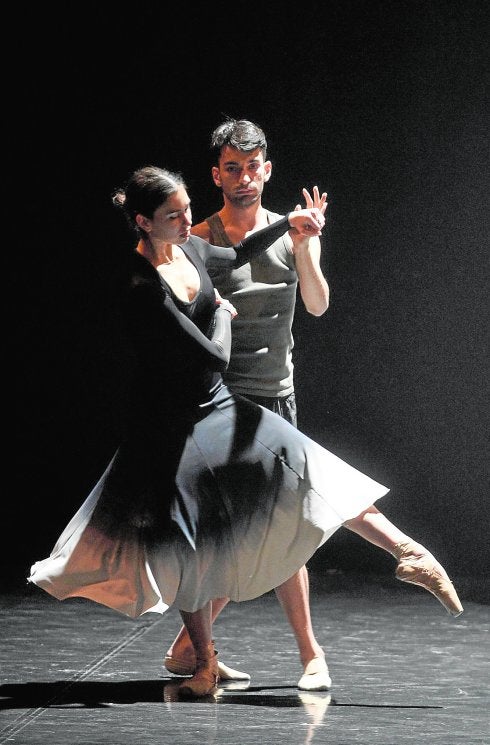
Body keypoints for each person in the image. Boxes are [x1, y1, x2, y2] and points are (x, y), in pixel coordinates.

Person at [28, 166, 463, 702]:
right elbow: (214, 354)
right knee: (191, 546)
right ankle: (203, 665)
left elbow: (233, 255)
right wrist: (225, 313)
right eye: (173, 216)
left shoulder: (191, 248)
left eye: (189, 209)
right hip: (170, 426)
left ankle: (410, 553)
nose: (189, 222)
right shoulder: (141, 286)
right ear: (143, 222)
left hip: (218, 406)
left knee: (309, 468)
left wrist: (289, 225)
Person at [163, 118, 332, 691]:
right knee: (237, 535)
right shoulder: (201, 235)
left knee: (284, 527)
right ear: (216, 174)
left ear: (268, 169)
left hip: (277, 397)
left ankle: (199, 647)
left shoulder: (292, 231)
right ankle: (289, 653)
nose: (244, 178)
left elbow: (316, 305)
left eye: (253, 166)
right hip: (223, 404)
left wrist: (307, 247)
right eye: (231, 168)